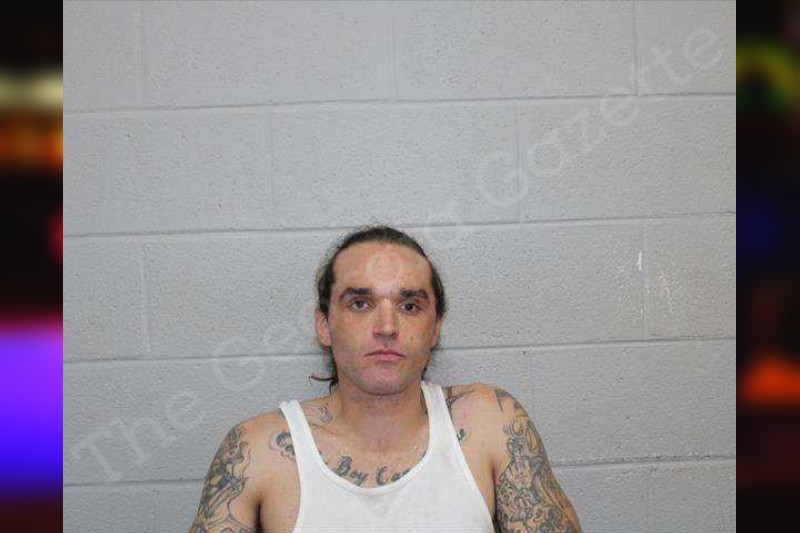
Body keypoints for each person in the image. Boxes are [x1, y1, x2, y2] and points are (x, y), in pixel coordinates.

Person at [189, 226, 582, 533]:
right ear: (324, 324)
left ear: (435, 327)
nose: (387, 327)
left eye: (409, 305)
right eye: (361, 303)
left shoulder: (490, 423)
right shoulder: (258, 450)